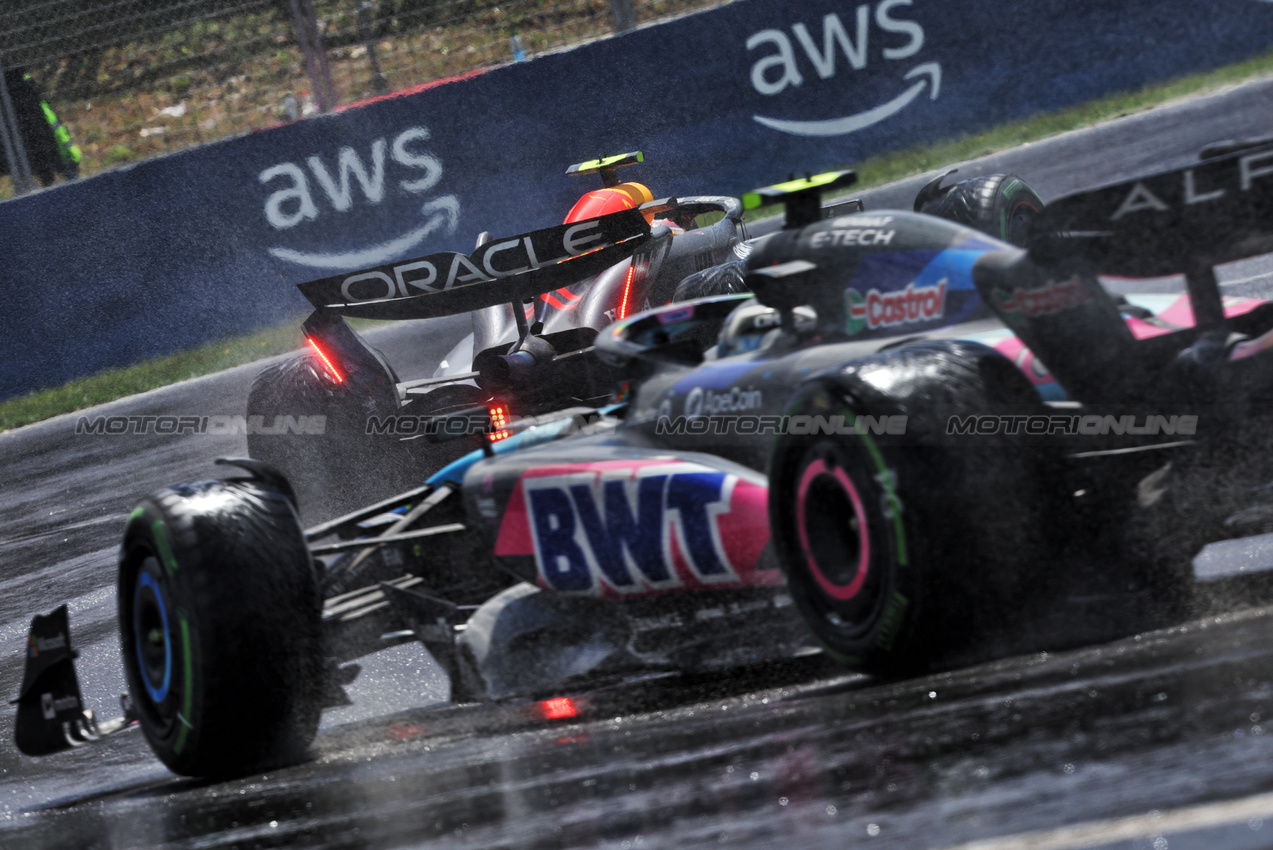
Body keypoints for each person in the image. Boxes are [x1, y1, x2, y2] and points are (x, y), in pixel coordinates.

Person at [0, 68, 81, 187]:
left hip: (22, 96)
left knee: (40, 139)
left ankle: (58, 175)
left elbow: (51, 126)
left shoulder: (20, 84)